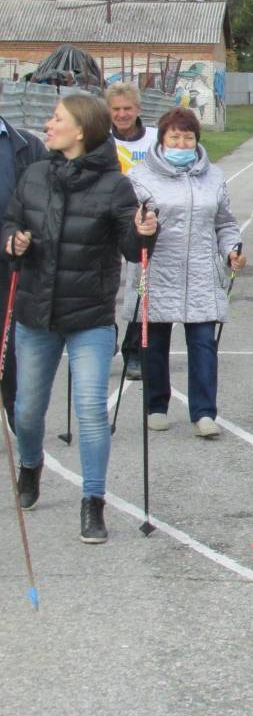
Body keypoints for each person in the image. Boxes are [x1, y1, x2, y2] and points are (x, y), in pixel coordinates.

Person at [6, 93, 157, 543]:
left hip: (89, 315)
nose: (48, 125)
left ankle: (94, 502)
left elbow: (134, 250)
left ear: (81, 131)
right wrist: (11, 239)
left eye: (57, 119)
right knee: (27, 411)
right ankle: (31, 464)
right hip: (35, 313)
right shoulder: (33, 174)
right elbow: (9, 222)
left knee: (92, 411)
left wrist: (146, 231)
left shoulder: (115, 186)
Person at [119, 107, 244, 439]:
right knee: (155, 344)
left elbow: (225, 223)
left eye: (188, 137)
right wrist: (140, 227)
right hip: (158, 270)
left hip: (202, 271)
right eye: (174, 136)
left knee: (203, 343)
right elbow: (127, 225)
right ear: (162, 139)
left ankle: (204, 412)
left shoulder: (214, 176)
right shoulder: (139, 176)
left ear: (197, 141)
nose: (181, 143)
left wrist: (232, 249)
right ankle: (156, 405)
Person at [108, 81, 159, 381]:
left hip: (142, 221)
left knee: (139, 287)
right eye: (116, 109)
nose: (122, 114)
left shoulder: (153, 139)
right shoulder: (101, 140)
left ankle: (134, 350)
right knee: (105, 286)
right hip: (107, 220)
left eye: (128, 108)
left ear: (138, 109)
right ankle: (105, 337)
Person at [0, 113, 48, 423]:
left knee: (12, 351)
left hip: (15, 264)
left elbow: (47, 203)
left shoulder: (27, 146)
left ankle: (21, 428)